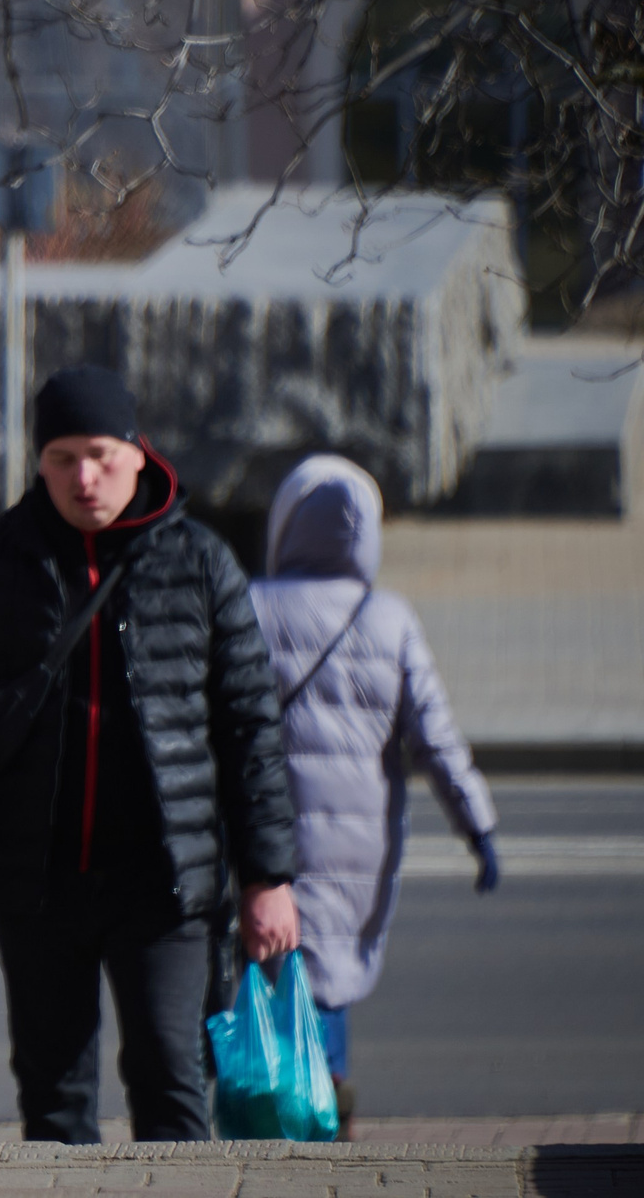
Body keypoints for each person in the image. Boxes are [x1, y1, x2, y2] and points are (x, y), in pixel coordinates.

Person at [0, 363, 302, 1143]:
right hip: (36, 881)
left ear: (139, 453)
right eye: (62, 457)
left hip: (167, 883)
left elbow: (251, 729)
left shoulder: (202, 563)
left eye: (102, 455)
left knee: (173, 1082)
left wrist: (267, 876)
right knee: (54, 1102)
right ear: (38, 463)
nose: (84, 476)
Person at [250, 453, 500, 1136]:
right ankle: (324, 1106)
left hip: (265, 839)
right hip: (359, 849)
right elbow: (437, 738)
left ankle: (300, 1114)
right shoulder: (389, 618)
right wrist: (478, 827)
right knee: (326, 975)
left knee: (271, 975)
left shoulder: (250, 606)